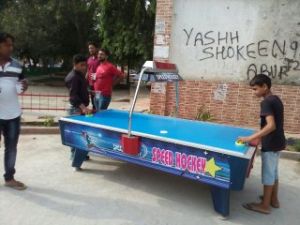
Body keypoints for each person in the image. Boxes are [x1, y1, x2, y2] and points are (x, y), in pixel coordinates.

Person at [238, 74, 285, 214]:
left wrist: (250, 138)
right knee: (274, 173)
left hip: (270, 144)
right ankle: (273, 200)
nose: (254, 92)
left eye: (255, 89)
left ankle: (264, 206)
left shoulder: (266, 102)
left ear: (265, 86)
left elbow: (271, 126)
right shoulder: (276, 99)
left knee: (268, 175)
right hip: (279, 142)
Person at [0, 32, 28, 190]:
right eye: (7, 45)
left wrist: (24, 86)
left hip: (13, 114)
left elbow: (21, 82)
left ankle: (9, 178)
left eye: (12, 45)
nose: (11, 48)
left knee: (11, 148)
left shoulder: (17, 65)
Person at [65, 54, 92, 171]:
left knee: (81, 133)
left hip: (80, 108)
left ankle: (81, 154)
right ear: (75, 65)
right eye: (81, 65)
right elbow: (73, 97)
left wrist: (91, 92)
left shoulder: (79, 75)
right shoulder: (74, 77)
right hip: (76, 109)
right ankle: (75, 158)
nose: (84, 67)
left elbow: (81, 90)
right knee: (76, 134)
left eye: (85, 65)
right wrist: (83, 108)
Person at [86, 41, 100, 111]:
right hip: (90, 84)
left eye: (92, 48)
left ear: (96, 48)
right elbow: (88, 71)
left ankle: (99, 115)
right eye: (89, 48)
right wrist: (85, 80)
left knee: (97, 101)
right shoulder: (89, 59)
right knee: (92, 100)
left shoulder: (100, 59)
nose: (90, 50)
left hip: (98, 85)